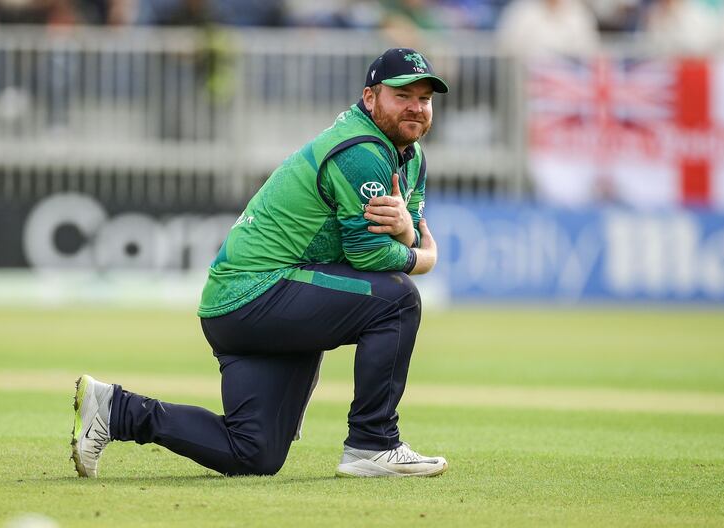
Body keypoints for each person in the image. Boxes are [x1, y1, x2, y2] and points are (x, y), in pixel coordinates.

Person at [72, 48, 449, 479]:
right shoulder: (362, 151)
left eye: (425, 98)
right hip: (257, 294)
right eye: (403, 95)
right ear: (370, 97)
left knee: (253, 454)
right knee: (397, 299)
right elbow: (372, 255)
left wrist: (407, 234)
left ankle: (117, 410)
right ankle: (373, 442)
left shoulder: (410, 157)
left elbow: (407, 232)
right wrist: (423, 257)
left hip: (246, 303)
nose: (416, 107)